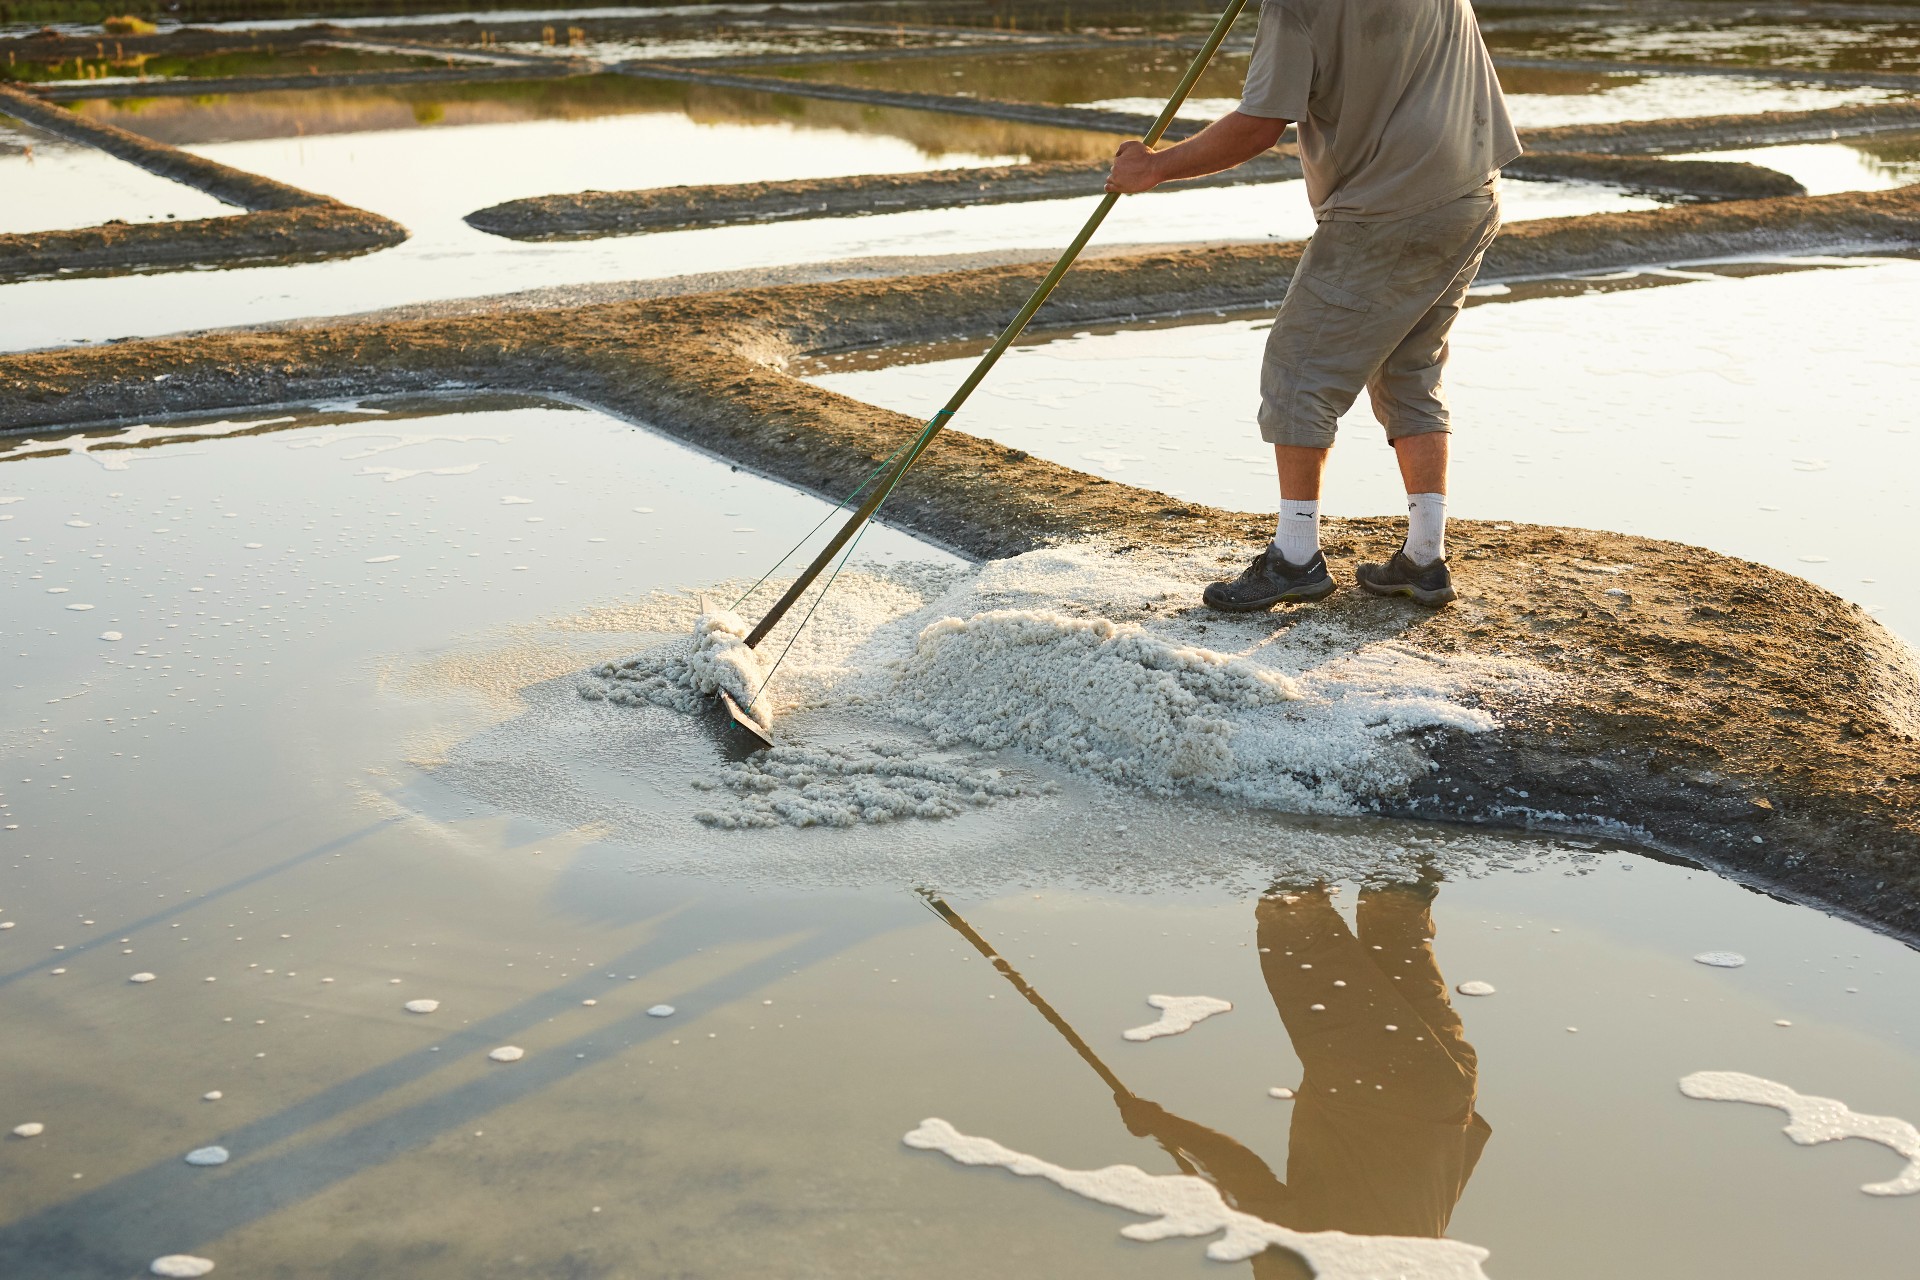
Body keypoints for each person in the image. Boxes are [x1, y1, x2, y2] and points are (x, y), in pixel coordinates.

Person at [1105, 0, 1521, 609]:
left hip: (1387, 208)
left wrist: (1153, 167)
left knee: (1298, 372)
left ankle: (1296, 558)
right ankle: (1424, 560)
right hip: (1472, 189)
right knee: (1409, 368)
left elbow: (1259, 123)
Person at [1117, 879, 1492, 1275]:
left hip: (1449, 1094)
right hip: (1373, 1089)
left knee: (1395, 918)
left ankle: (1409, 833)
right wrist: (1160, 1124)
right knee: (1293, 923)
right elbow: (1245, 1175)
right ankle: (1316, 823)